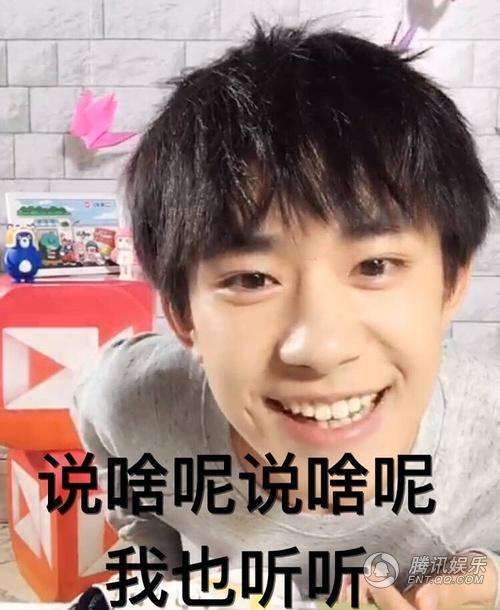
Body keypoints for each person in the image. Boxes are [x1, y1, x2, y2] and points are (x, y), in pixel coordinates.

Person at [71, 22, 500, 610]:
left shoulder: (490, 429)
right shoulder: (136, 398)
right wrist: (154, 566)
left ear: (451, 283)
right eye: (252, 279)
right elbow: (116, 449)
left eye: (375, 266)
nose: (319, 348)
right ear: (183, 315)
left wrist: (470, 577)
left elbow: (481, 559)